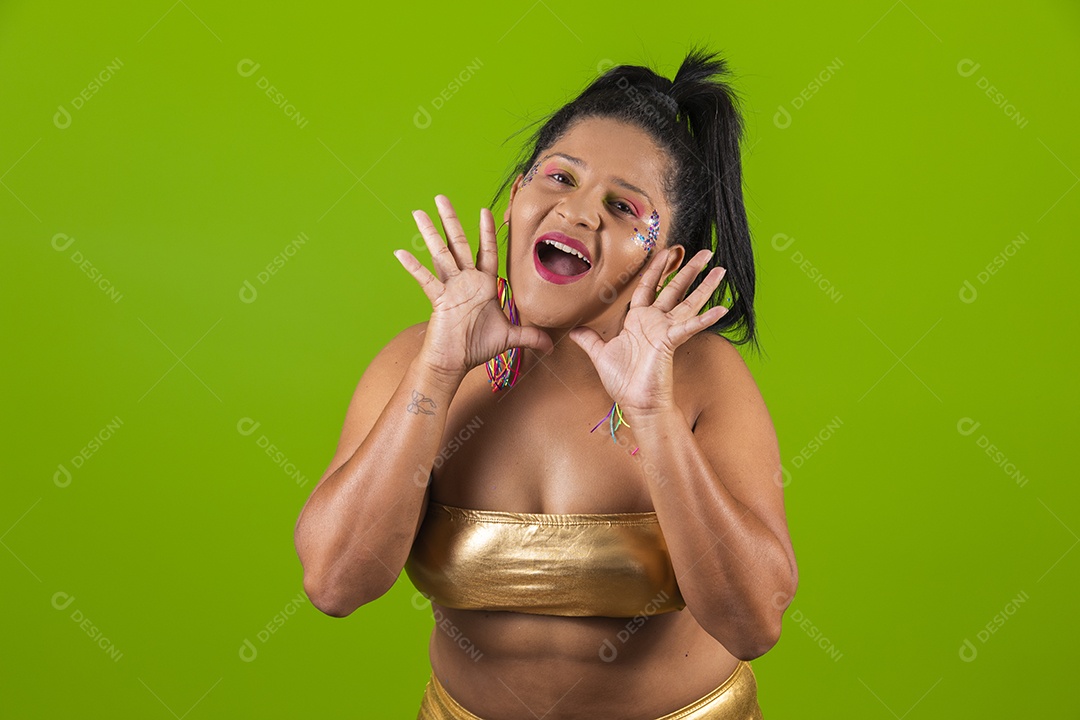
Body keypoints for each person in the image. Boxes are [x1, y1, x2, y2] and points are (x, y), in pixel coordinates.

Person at [294, 46, 798, 720]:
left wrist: (653, 414)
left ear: (664, 259)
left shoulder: (703, 378)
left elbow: (753, 623)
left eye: (624, 207)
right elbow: (334, 583)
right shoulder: (417, 359)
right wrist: (437, 373)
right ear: (516, 198)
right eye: (560, 178)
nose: (578, 212)